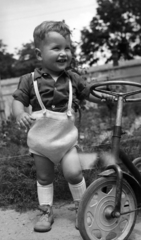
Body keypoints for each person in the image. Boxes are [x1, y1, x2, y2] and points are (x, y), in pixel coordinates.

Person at [12, 20, 114, 233]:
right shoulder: (29, 80)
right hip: (41, 142)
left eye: (67, 48)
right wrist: (20, 112)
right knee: (44, 177)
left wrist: (105, 98)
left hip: (66, 141)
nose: (64, 53)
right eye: (56, 48)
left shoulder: (73, 79)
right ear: (40, 55)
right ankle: (46, 211)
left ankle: (82, 208)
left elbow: (89, 94)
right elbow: (18, 100)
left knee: (74, 173)